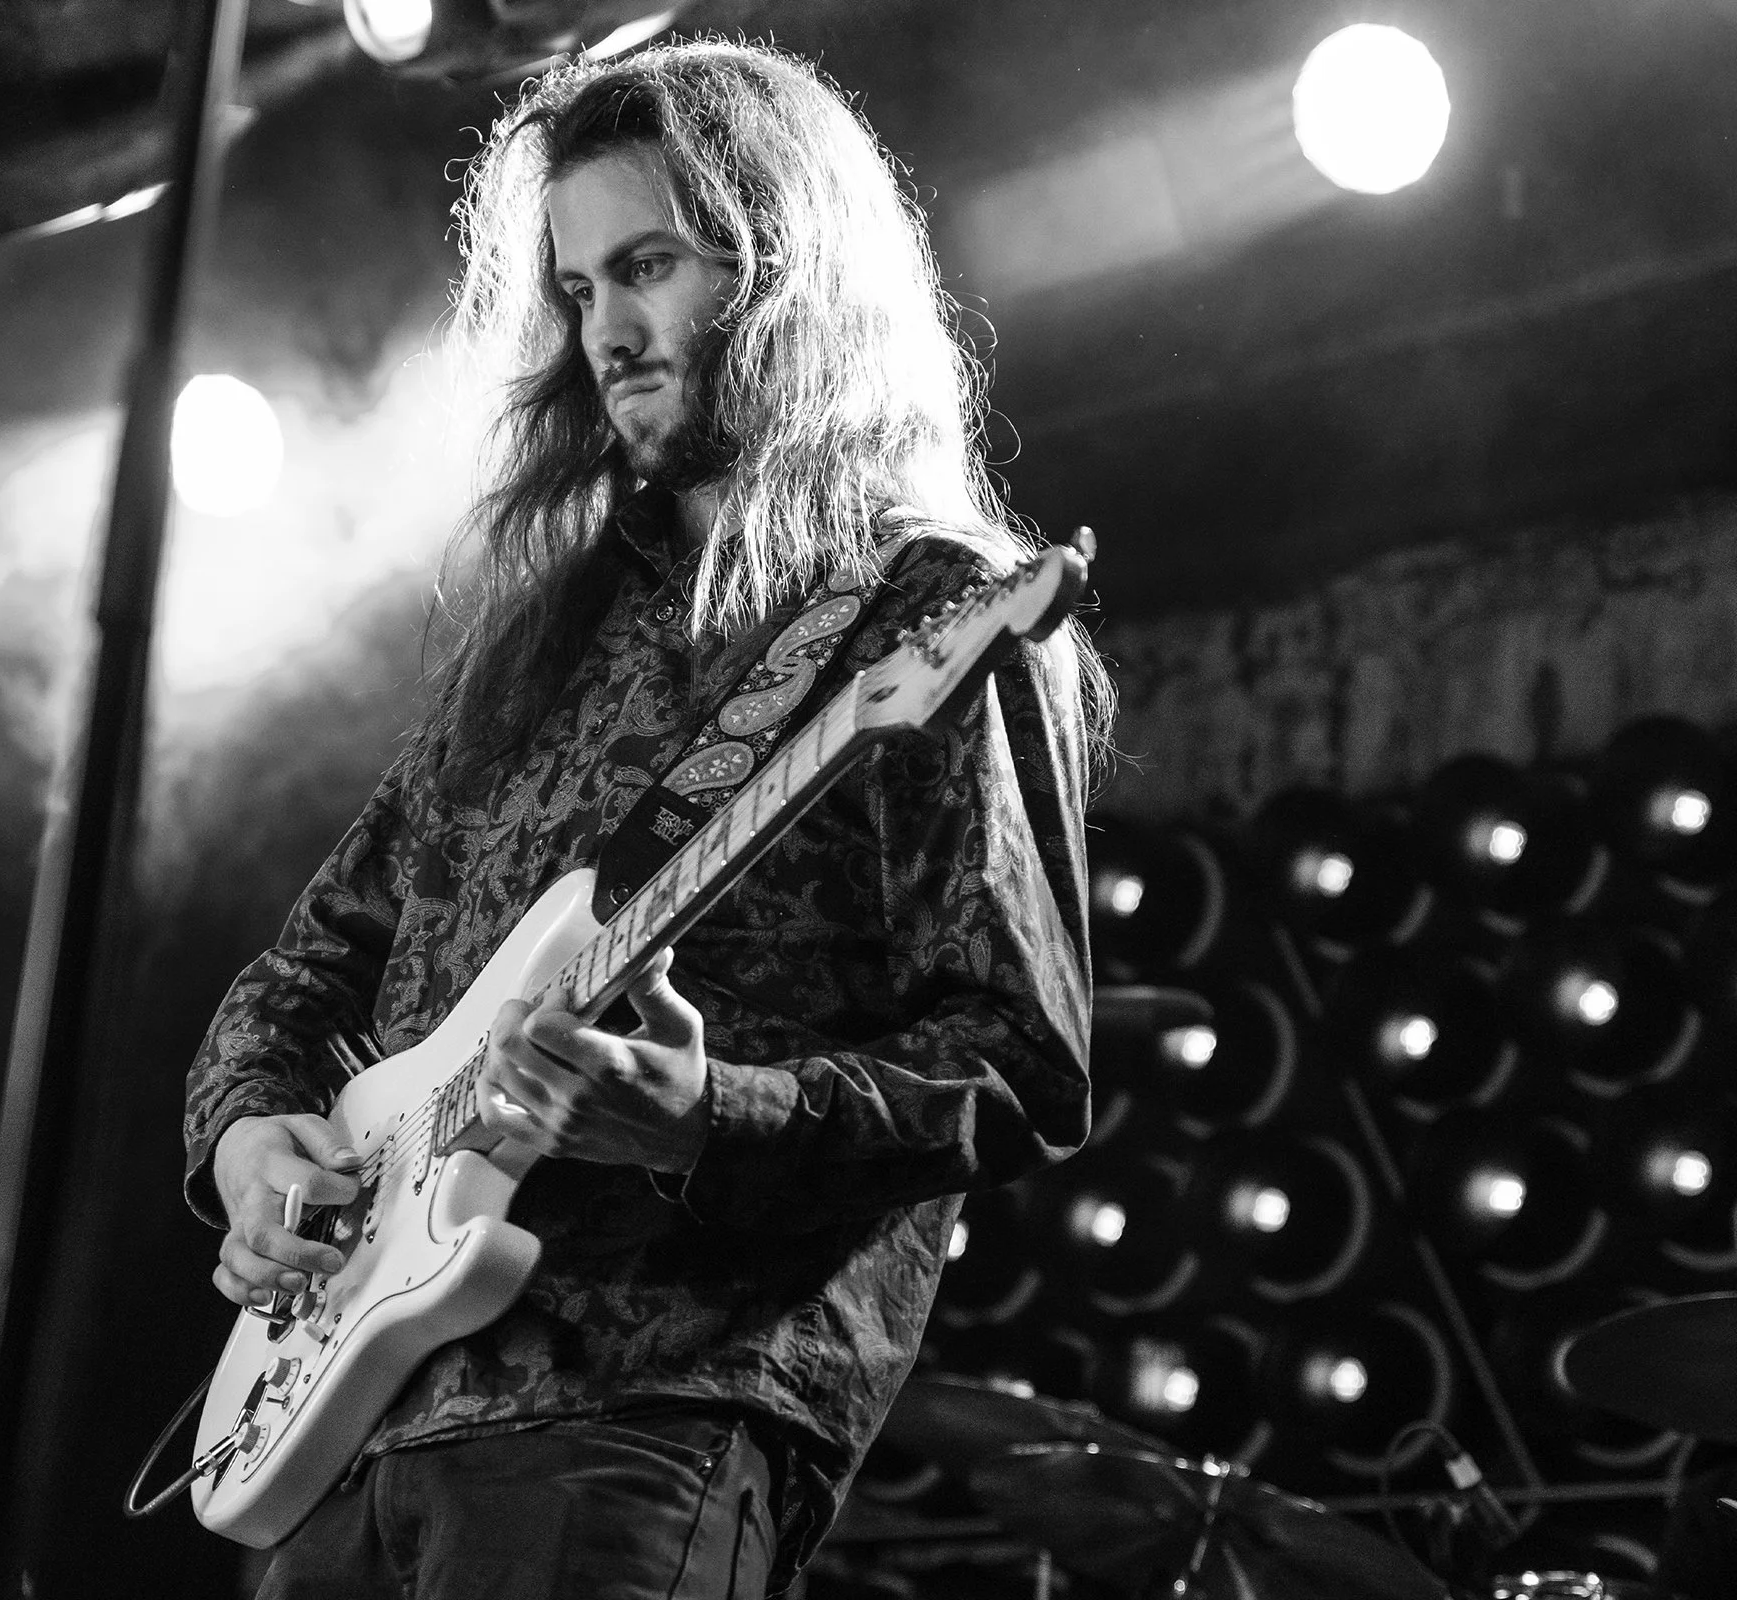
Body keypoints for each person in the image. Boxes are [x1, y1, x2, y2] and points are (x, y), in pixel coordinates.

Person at [183, 39, 1109, 1599]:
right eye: (576, 287)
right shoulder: (538, 642)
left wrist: (705, 1115)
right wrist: (250, 1147)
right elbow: (302, 975)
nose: (605, 330)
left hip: (649, 1404)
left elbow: (1021, 1063)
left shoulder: (927, 616)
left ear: (786, 268)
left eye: (650, 266)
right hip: (352, 1420)